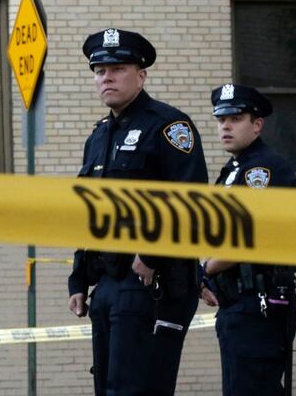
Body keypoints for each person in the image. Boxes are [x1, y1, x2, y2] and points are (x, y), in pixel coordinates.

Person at [68, 28, 208, 395]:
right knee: (109, 388)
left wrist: (151, 253)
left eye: (118, 68)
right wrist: (79, 279)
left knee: (138, 389)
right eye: (99, 70)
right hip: (108, 283)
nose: (106, 77)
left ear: (141, 75)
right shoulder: (98, 136)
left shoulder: (168, 126)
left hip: (151, 281)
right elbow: (91, 212)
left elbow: (189, 200)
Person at [201, 84, 296, 396]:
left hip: (258, 302)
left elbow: (251, 236)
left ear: (257, 125)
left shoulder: (263, 169)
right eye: (221, 120)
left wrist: (206, 269)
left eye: (236, 118)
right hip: (236, 303)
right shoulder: (234, 170)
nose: (225, 126)